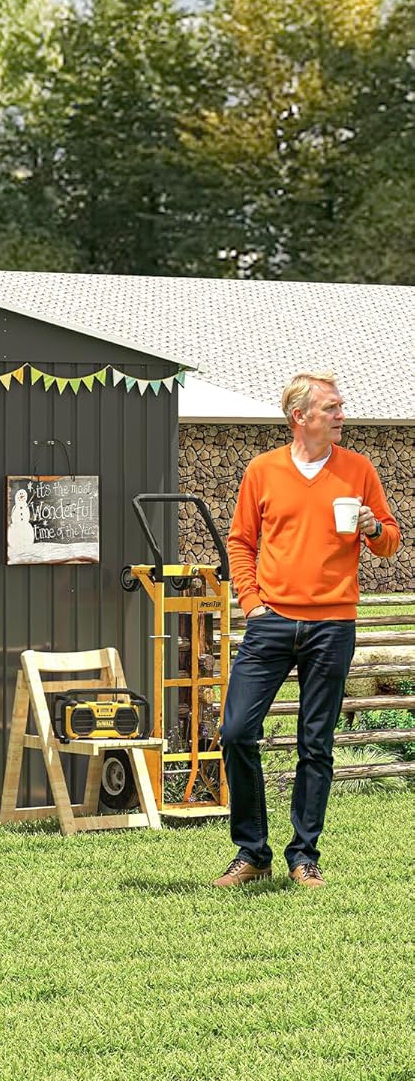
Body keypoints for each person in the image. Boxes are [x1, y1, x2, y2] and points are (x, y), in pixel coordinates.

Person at [215, 371, 401, 888]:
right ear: (300, 416)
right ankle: (252, 851)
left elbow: (390, 541)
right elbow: (241, 541)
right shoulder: (263, 470)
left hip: (332, 624)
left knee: (315, 743)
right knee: (236, 732)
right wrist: (251, 603)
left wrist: (373, 528)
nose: (342, 415)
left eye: (340, 407)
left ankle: (303, 856)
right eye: (332, 408)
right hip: (271, 622)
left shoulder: (358, 469)